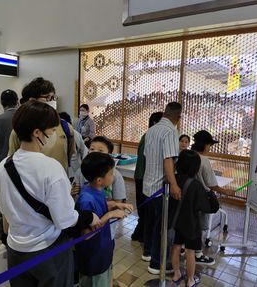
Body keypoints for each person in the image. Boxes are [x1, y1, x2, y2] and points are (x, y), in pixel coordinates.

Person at [0, 101, 100, 287]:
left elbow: (5, 211)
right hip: (48, 251)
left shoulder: (3, 166)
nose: (53, 135)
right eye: (51, 131)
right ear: (37, 133)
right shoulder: (51, 168)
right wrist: (89, 217)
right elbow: (65, 219)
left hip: (16, 249)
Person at [76, 152, 132, 287]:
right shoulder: (86, 199)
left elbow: (98, 207)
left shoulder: (96, 189)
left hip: (102, 252)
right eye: (111, 174)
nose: (113, 176)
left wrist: (116, 204)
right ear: (99, 180)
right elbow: (86, 235)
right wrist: (110, 215)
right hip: (93, 259)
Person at [143, 102, 182, 274]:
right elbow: (168, 159)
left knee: (151, 222)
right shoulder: (171, 131)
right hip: (160, 188)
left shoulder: (151, 130)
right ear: (178, 118)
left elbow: (146, 155)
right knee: (162, 227)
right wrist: (174, 184)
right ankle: (156, 264)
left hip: (147, 185)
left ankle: (148, 252)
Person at [8, 77, 76, 173]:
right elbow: (13, 161)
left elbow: (70, 156)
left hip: (59, 182)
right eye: (48, 98)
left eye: (53, 98)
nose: (52, 101)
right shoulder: (19, 130)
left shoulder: (65, 127)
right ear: (32, 100)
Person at [191, 130, 235, 265]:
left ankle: (184, 248)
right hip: (200, 198)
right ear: (204, 145)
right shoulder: (204, 160)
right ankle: (198, 254)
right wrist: (225, 191)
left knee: (188, 224)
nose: (210, 148)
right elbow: (211, 184)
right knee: (199, 227)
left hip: (187, 196)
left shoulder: (187, 155)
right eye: (210, 145)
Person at [171, 150, 205, 287]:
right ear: (195, 167)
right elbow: (204, 207)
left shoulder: (173, 180)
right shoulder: (196, 185)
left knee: (176, 247)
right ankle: (190, 280)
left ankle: (176, 274)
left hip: (176, 221)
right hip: (191, 224)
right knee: (190, 251)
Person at [131, 111, 163, 245]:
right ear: (155, 123)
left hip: (144, 177)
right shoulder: (149, 137)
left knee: (146, 209)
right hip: (143, 177)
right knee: (145, 209)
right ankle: (141, 235)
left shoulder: (151, 136)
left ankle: (140, 234)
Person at [0, 90, 18, 163]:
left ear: (1, 102)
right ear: (17, 101)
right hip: (23, 159)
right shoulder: (26, 116)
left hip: (4, 160)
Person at [59, 112, 88, 180]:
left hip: (72, 170)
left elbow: (84, 151)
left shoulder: (74, 134)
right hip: (72, 170)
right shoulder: (76, 133)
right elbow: (84, 152)